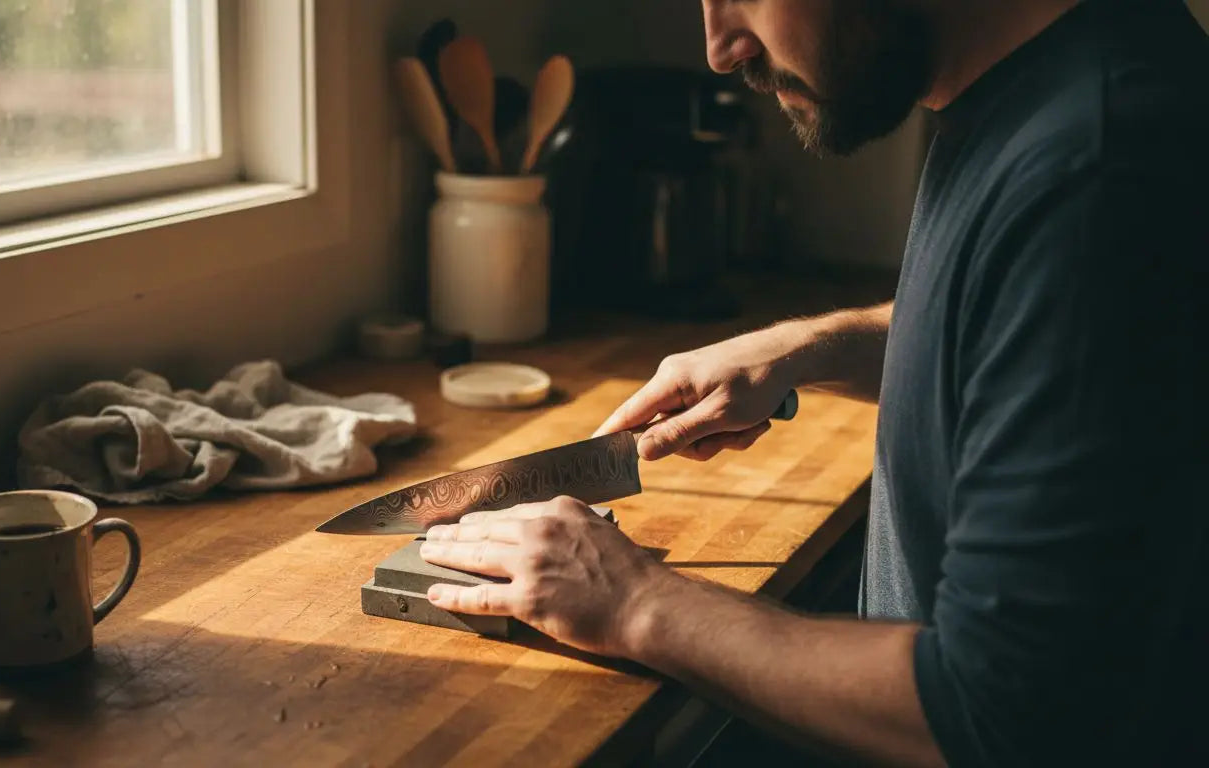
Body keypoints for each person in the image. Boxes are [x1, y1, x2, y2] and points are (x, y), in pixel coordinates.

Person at [420, 0, 1209, 764]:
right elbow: (1021, 325)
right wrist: (812, 348)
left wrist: (634, 600)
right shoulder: (1042, 87)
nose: (721, 48)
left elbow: (996, 714)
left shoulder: (1101, 170)